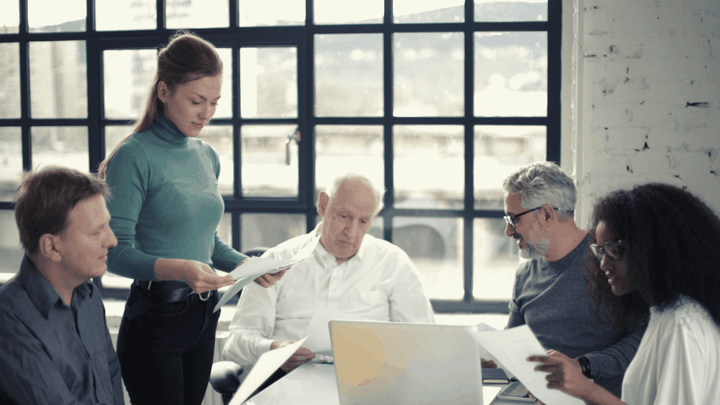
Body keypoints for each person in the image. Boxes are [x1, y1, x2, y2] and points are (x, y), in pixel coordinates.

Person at [97, 32, 283, 405]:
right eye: (196, 100)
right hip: (155, 322)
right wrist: (180, 269)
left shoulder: (206, 155)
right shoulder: (134, 156)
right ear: (164, 92)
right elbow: (113, 253)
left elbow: (206, 240)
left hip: (204, 317)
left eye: (214, 102)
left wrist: (246, 266)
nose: (207, 113)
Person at [223, 173, 435, 380]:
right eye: (344, 216)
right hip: (291, 382)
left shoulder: (394, 263)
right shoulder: (277, 261)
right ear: (323, 204)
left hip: (369, 385)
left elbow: (424, 341)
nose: (351, 232)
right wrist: (274, 349)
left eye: (363, 221)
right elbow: (235, 345)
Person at [528, 183, 720, 405]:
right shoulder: (665, 313)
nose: (603, 265)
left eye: (615, 251)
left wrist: (585, 389)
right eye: (600, 252)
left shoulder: (681, 324)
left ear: (655, 248)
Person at [490, 162, 644, 397]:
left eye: (513, 219)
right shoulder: (524, 275)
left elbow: (642, 338)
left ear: (547, 214)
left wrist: (582, 366)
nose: (508, 231)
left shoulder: (609, 261)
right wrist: (494, 360)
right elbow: (514, 342)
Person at [0, 167, 123, 404]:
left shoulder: (89, 297)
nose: (112, 240)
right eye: (96, 232)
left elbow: (111, 376)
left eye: (107, 226)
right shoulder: (9, 319)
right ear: (52, 247)